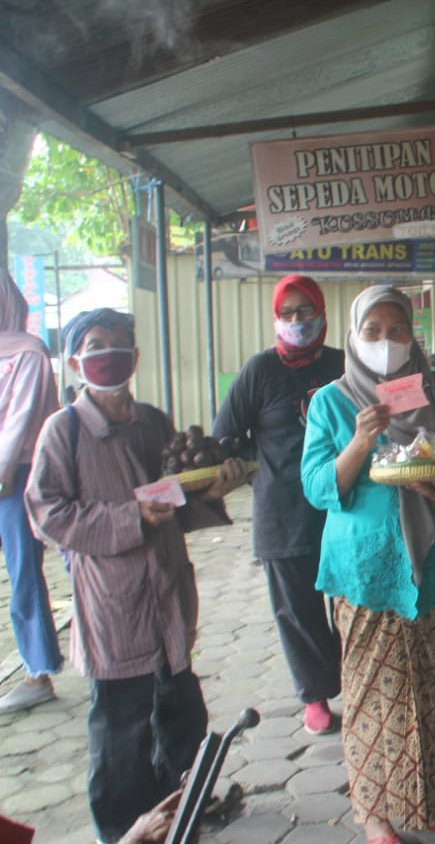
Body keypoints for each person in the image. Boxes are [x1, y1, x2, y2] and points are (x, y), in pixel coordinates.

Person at [25, 308, 251, 843]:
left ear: (136, 356)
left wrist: (210, 496)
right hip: (112, 608)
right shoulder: (65, 430)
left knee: (180, 721)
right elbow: (47, 514)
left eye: (119, 344)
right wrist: (128, 517)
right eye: (96, 345)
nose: (108, 354)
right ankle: (121, 834)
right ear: (76, 360)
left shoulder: (153, 422)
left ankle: (181, 818)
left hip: (169, 595)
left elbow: (178, 496)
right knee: (122, 737)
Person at [300, 285, 435, 843]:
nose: (385, 342)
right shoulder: (332, 400)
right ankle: (374, 817)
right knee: (372, 695)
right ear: (353, 338)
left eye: (396, 330)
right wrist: (359, 441)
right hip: (366, 573)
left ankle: (431, 809)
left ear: (413, 335)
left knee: (430, 696)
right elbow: (315, 486)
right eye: (372, 332)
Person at [212, 274, 343, 735]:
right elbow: (224, 436)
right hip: (283, 511)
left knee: (352, 603)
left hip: (344, 505)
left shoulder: (343, 365)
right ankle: (317, 695)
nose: (296, 321)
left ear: (323, 312)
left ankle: (358, 679)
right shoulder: (260, 371)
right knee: (299, 610)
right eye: (286, 313)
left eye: (305, 310)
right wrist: (260, 465)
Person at [0, 270, 63, 713]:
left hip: (21, 475)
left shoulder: (29, 353)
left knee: (25, 573)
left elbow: (20, 423)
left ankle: (38, 672)